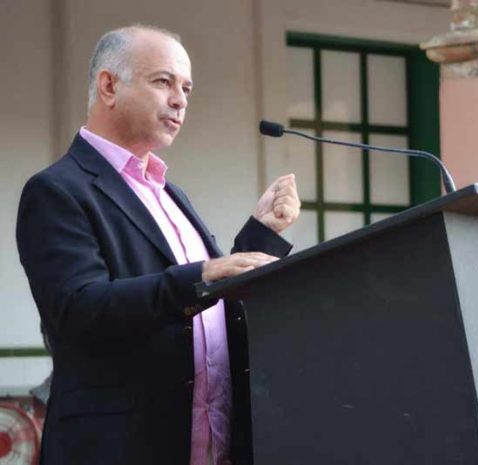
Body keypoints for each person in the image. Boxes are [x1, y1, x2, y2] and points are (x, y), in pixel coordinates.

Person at [15, 25, 301, 465]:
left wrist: (259, 236)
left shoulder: (170, 193)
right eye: (163, 82)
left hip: (214, 447)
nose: (180, 99)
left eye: (186, 88)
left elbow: (202, 300)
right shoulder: (57, 191)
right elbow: (77, 309)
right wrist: (203, 274)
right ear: (109, 85)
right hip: (124, 448)